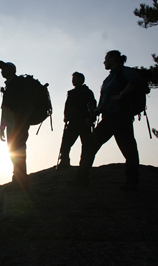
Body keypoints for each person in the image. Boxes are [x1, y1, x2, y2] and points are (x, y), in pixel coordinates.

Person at [70, 50, 141, 191]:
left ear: (114, 58)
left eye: (106, 58)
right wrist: (96, 110)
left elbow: (136, 80)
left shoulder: (124, 72)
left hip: (120, 116)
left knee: (128, 149)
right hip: (109, 116)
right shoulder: (109, 78)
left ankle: (132, 182)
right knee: (90, 144)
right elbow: (105, 101)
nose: (104, 62)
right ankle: (81, 179)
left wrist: (121, 95)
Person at [0, 60, 31, 191]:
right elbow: (5, 109)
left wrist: (3, 126)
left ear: (12, 70)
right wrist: (2, 127)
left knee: (18, 150)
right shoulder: (9, 86)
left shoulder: (17, 84)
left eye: (5, 68)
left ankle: (21, 181)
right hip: (13, 124)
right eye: (2, 68)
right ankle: (18, 178)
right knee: (14, 151)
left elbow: (10, 108)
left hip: (19, 123)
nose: (2, 71)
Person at [57, 72, 96, 170]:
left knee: (86, 144)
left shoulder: (87, 92)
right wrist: (66, 116)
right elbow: (67, 107)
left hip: (84, 121)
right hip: (73, 121)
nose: (73, 81)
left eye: (75, 78)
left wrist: (90, 117)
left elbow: (91, 105)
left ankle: (84, 165)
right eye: (73, 78)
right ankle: (64, 162)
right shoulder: (71, 93)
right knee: (66, 143)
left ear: (81, 79)